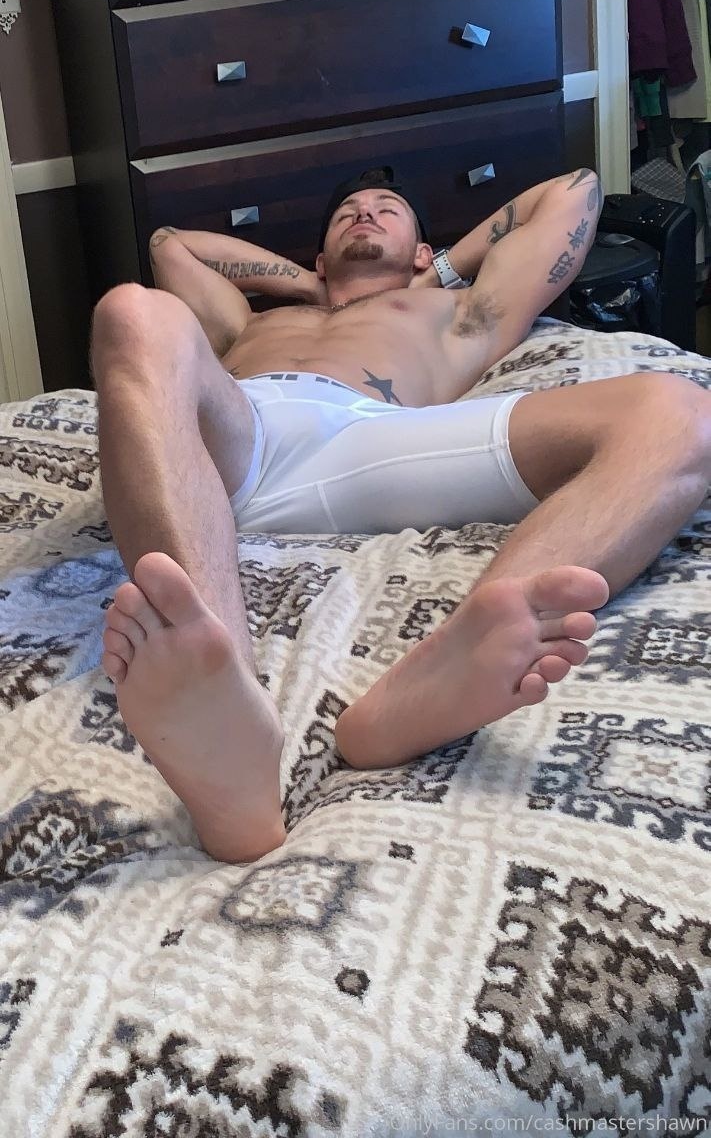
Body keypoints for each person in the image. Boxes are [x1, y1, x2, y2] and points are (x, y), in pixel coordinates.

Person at [90, 166, 711, 863]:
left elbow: (574, 189)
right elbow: (172, 245)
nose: (364, 213)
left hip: (375, 438)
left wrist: (432, 271)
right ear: (319, 255)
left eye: (387, 208)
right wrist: (311, 285)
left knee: (680, 412)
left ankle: (426, 688)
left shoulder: (460, 308)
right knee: (132, 311)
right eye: (347, 212)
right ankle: (223, 714)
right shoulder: (249, 323)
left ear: (421, 248)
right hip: (233, 441)